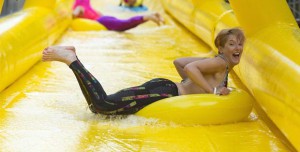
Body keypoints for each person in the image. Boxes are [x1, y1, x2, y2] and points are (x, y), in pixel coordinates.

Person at [42, 28, 245, 115]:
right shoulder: (221, 64)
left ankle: (71, 57)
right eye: (231, 44)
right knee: (103, 104)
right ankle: (72, 60)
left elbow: (179, 62)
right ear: (221, 48)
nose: (237, 48)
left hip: (164, 86)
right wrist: (212, 91)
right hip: (165, 92)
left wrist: (193, 83)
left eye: (240, 44)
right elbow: (190, 68)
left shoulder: (217, 63)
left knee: (101, 109)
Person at [72, 0, 164, 31]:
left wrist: (70, 14)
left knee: (124, 24)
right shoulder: (87, 6)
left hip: (103, 21)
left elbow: (75, 13)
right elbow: (99, 13)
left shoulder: (80, 7)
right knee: (124, 24)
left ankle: (147, 17)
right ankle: (151, 15)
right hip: (105, 18)